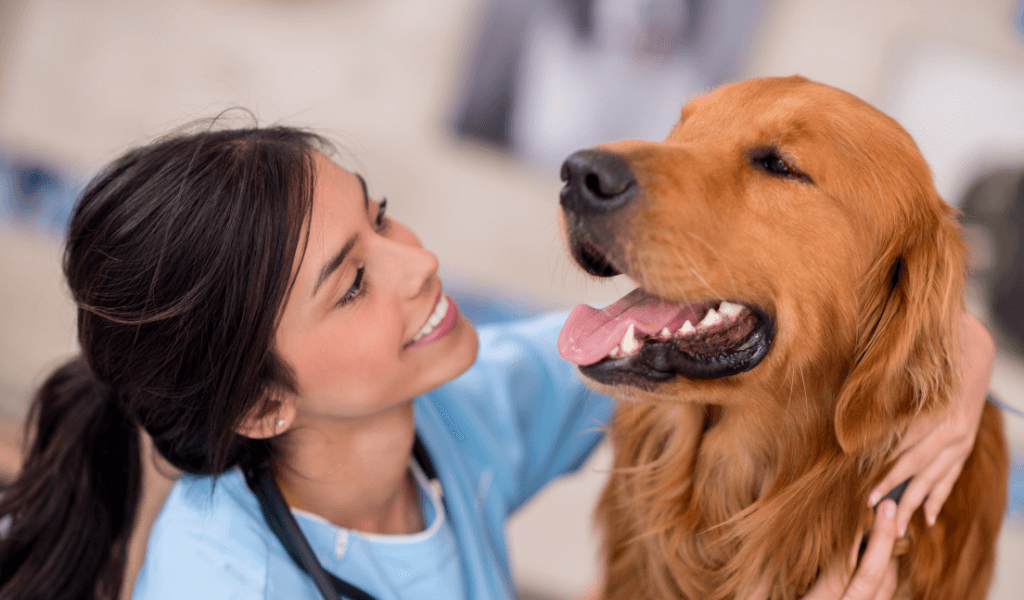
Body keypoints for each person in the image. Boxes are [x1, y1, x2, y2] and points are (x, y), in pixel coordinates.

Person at [0, 125, 995, 600]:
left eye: (381, 215)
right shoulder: (227, 588)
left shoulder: (446, 421)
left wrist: (957, 355)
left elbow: (705, 338)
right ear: (262, 404)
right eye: (352, 283)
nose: (418, 261)